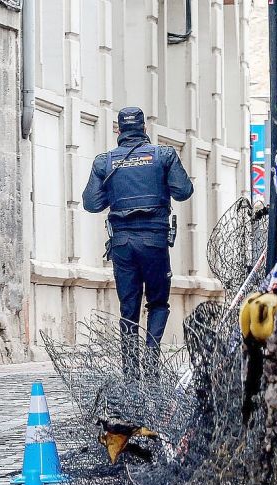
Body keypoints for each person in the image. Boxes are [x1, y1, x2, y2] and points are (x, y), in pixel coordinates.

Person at [82, 107, 194, 357]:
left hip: (122, 244)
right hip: (155, 241)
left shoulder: (105, 161)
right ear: (145, 129)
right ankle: (153, 361)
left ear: (118, 131)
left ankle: (131, 373)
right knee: (158, 303)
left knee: (128, 308)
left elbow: (91, 203)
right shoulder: (163, 155)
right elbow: (184, 191)